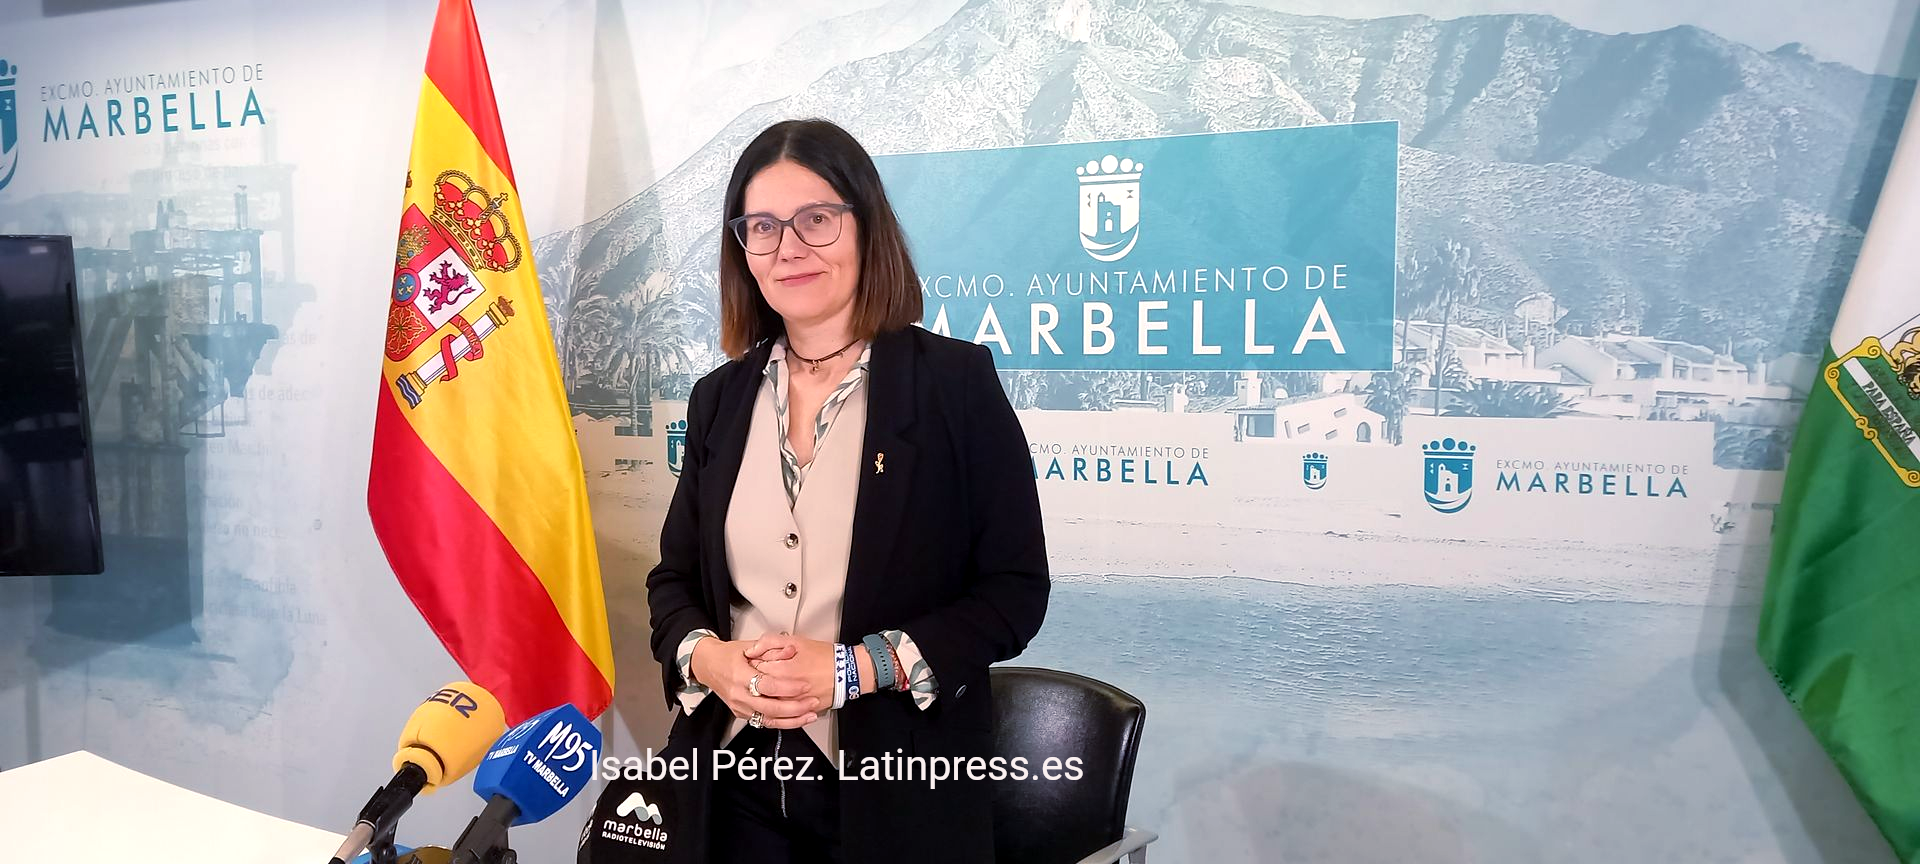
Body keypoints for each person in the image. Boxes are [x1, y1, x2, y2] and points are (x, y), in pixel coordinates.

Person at [643, 118, 1049, 864]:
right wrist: (708, 660)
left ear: (866, 227)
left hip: (896, 790)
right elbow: (674, 582)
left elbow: (1014, 592)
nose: (788, 247)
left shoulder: (954, 384)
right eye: (762, 227)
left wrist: (854, 669)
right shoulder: (718, 400)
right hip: (727, 785)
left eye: (816, 219)